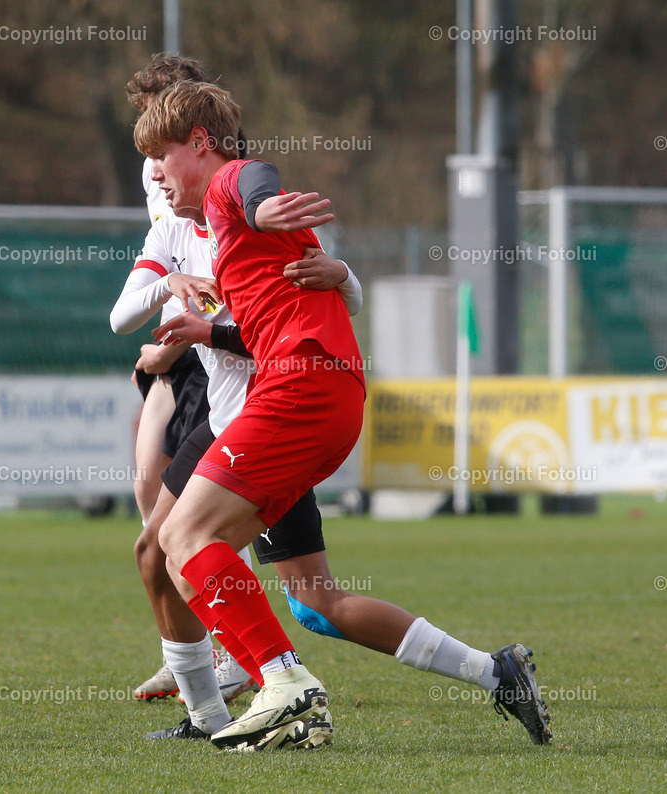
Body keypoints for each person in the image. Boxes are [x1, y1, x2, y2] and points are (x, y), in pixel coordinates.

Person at [153, 309, 553, 748]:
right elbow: (126, 312)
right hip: (228, 425)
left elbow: (294, 333)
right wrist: (168, 302)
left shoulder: (250, 243)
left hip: (261, 430)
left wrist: (341, 276)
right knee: (175, 555)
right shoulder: (181, 244)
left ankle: (274, 689)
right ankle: (245, 700)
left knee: (202, 558)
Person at [131, 79, 372, 750]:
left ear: (200, 145)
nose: (155, 175)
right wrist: (203, 331)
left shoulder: (229, 183)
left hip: (296, 392)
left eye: (161, 156)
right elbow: (294, 305)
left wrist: (266, 209)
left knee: (177, 541)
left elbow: (254, 183)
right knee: (184, 551)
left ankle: (281, 680)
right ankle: (275, 685)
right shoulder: (221, 239)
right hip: (311, 395)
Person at [122, 54, 255, 703]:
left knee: (192, 531)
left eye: (161, 122)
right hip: (184, 343)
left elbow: (225, 300)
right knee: (154, 502)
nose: (152, 155)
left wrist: (175, 342)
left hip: (217, 367)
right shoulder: (165, 187)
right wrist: (168, 297)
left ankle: (237, 659)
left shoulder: (230, 193)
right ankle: (198, 656)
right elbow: (145, 289)